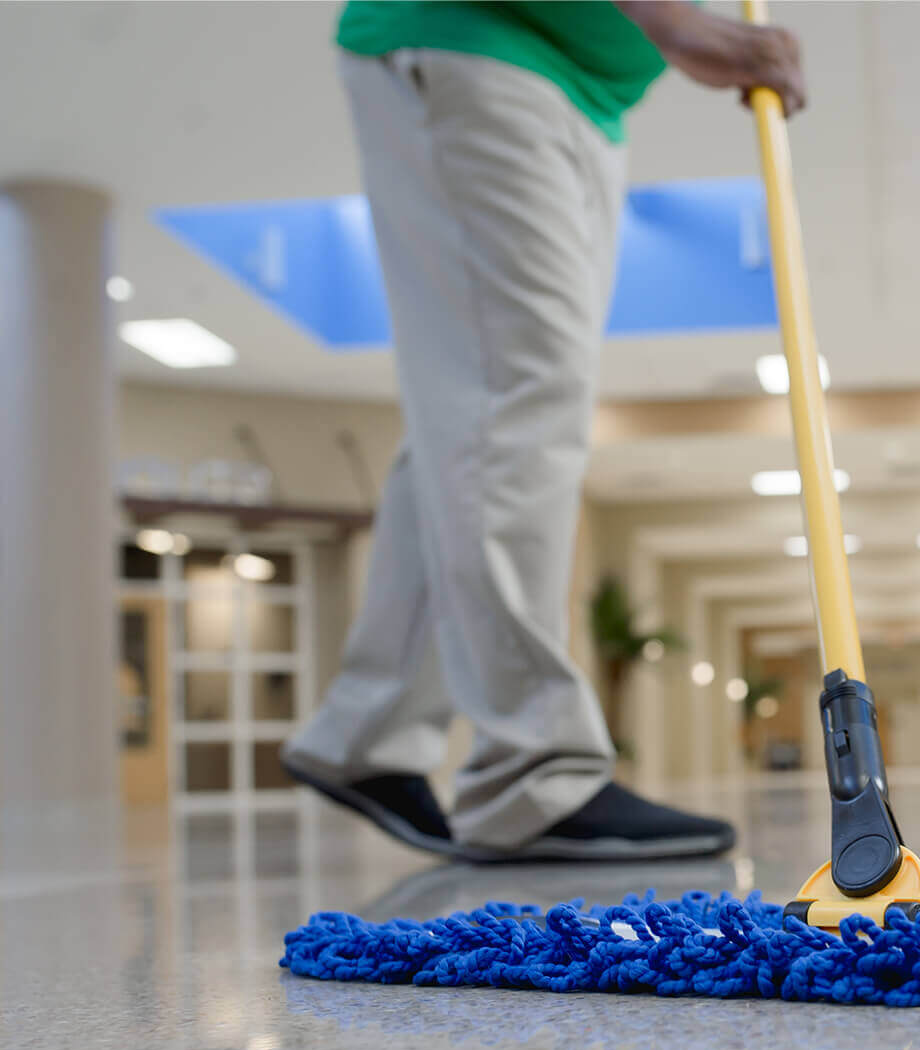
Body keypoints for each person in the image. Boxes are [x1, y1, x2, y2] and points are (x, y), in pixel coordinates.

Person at [281, 1, 805, 862]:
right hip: (481, 36)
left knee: (483, 402)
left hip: (584, 88)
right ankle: (532, 774)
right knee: (520, 391)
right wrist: (676, 24)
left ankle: (368, 732)